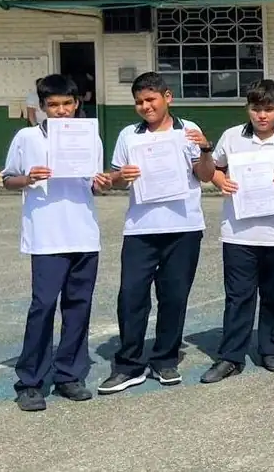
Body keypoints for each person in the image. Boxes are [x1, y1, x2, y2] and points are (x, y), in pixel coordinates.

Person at [98, 72, 214, 395]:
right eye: (139, 102)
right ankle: (129, 365)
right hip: (140, 228)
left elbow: (205, 175)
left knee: (174, 296)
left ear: (168, 98)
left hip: (184, 227)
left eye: (151, 99)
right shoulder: (128, 136)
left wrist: (205, 150)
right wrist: (120, 176)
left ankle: (165, 359)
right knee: (131, 296)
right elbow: (117, 180)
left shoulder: (188, 131)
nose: (145, 106)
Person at [3, 74, 112, 411]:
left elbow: (92, 183)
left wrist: (103, 182)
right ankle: (31, 381)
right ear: (43, 107)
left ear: (77, 104)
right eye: (53, 105)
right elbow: (8, 180)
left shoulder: (89, 136)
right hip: (46, 236)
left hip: (83, 233)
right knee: (43, 307)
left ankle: (69, 375)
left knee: (78, 307)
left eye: (67, 104)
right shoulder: (27, 137)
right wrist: (28, 177)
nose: (61, 110)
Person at [202, 79, 274, 384]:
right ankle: (231, 356)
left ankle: (271, 350)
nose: (262, 115)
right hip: (238, 232)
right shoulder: (232, 137)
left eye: (268, 109)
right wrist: (221, 182)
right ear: (248, 109)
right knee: (238, 296)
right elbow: (212, 169)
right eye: (256, 109)